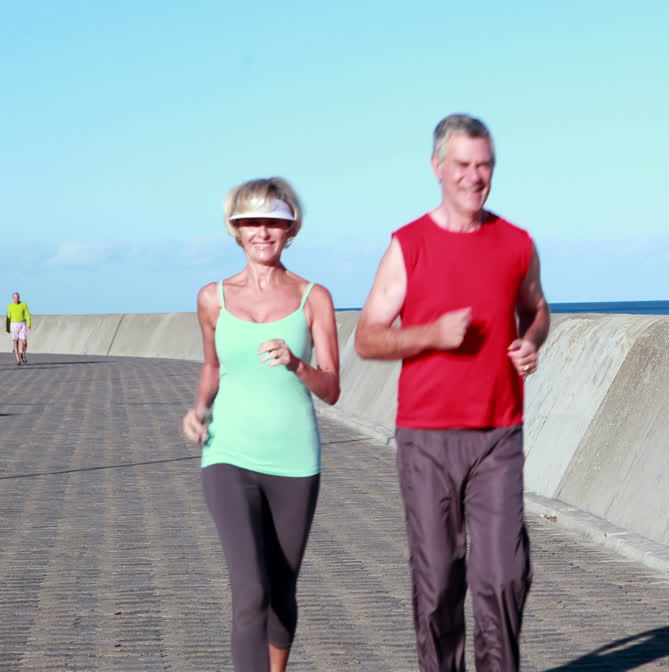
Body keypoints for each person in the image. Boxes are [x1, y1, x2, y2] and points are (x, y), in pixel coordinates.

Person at [355, 114, 549, 672]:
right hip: (426, 439)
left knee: (504, 576)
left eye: (484, 165)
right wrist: (432, 336)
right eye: (462, 165)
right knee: (439, 582)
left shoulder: (516, 242)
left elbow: (536, 308)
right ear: (437, 168)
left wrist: (531, 340)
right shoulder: (408, 244)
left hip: (498, 435)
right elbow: (367, 338)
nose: (474, 176)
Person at [181, 177, 340, 672]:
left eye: (274, 221)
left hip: (294, 459)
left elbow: (332, 387)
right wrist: (200, 408)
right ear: (235, 229)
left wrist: (295, 363)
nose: (262, 231)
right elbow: (212, 365)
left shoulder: (315, 297)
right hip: (228, 453)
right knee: (249, 591)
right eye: (251, 221)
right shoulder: (213, 298)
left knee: (280, 590)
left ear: (290, 229)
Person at [8, 292, 32, 365]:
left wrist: (29, 324)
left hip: (22, 324)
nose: (16, 299)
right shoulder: (10, 306)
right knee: (16, 342)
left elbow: (27, 315)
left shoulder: (23, 305)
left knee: (24, 342)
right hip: (14, 324)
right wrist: (7, 328)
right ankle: (18, 360)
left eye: (17, 297)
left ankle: (23, 355)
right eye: (15, 297)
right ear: (12, 298)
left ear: (19, 297)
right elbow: (8, 317)